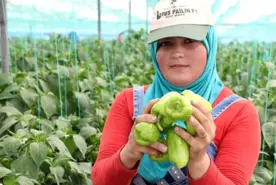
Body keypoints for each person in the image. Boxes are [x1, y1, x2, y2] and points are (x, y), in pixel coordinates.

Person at [91, 0, 261, 184]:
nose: (178, 52)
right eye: (166, 43)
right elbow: (101, 180)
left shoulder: (239, 112)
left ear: (209, 45)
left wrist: (199, 160)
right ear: (155, 51)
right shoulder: (129, 102)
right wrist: (130, 151)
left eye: (189, 41)